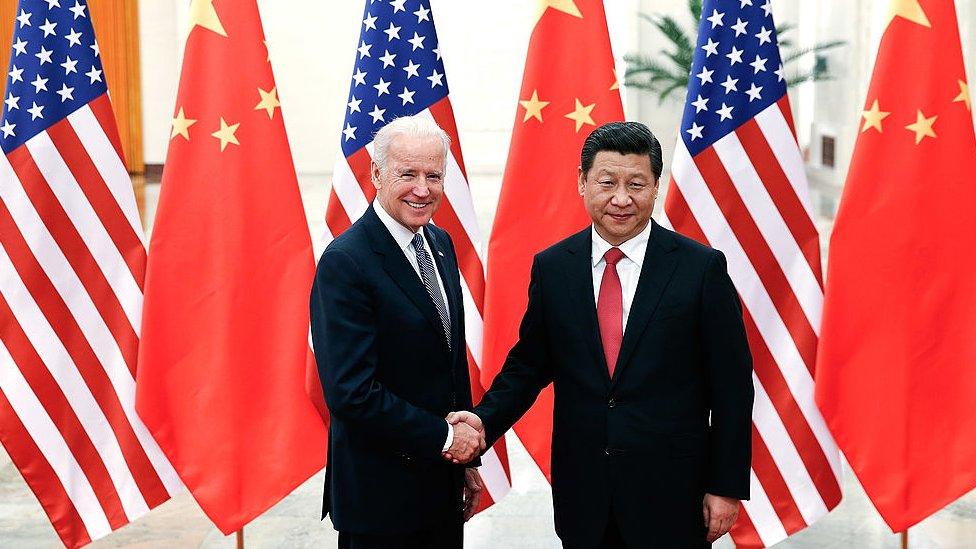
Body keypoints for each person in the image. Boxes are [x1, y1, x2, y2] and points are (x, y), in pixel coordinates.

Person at [447, 122, 754, 548]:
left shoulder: (701, 269)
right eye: (607, 182)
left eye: (637, 184)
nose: (621, 199)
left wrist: (725, 486)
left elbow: (732, 389)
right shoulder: (554, 268)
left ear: (655, 187)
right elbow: (529, 366)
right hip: (584, 495)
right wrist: (482, 420)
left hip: (673, 495)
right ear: (582, 182)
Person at [310, 116, 485, 549]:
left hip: (440, 488)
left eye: (434, 175)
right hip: (381, 500)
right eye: (407, 174)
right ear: (375, 174)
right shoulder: (346, 262)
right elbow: (351, 391)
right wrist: (447, 438)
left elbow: (448, 360)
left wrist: (464, 458)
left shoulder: (440, 244)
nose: (422, 189)